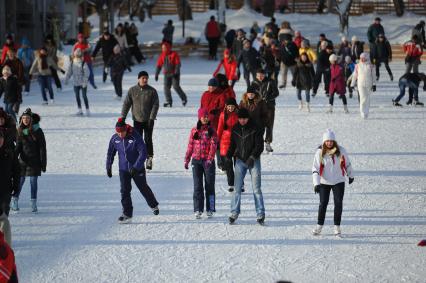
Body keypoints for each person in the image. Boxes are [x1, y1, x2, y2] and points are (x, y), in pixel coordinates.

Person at [106, 118, 160, 224]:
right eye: (118, 132)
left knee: (143, 188)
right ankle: (127, 214)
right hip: (123, 169)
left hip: (137, 168)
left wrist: (136, 166)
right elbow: (110, 153)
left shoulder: (135, 136)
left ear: (126, 129)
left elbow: (143, 152)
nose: (120, 134)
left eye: (122, 132)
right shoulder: (114, 139)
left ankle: (154, 205)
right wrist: (108, 166)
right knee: (124, 191)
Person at [311, 129, 354, 237]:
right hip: (324, 182)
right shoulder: (320, 152)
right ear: (324, 142)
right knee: (322, 204)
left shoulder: (341, 151)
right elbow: (315, 168)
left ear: (334, 141)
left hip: (338, 181)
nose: (329, 143)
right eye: (327, 141)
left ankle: (337, 227)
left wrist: (350, 175)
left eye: (331, 141)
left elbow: (347, 164)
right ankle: (319, 226)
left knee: (338, 204)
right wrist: (316, 183)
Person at [226, 108, 265, 225]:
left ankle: (260, 214)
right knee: (237, 189)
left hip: (253, 161)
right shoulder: (235, 128)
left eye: (244, 118)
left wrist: (252, 157)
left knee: (256, 189)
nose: (242, 120)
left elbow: (259, 146)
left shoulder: (255, 128)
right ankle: (234, 213)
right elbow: (232, 144)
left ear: (248, 118)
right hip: (240, 161)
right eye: (240, 118)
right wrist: (228, 156)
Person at [184, 108, 218, 219]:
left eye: (207, 116)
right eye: (203, 116)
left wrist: (210, 159)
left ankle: (210, 208)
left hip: (208, 162)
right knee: (197, 186)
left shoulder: (212, 130)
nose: (205, 118)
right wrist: (187, 159)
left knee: (209, 186)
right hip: (196, 161)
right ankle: (198, 209)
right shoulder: (194, 131)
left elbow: (213, 146)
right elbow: (190, 145)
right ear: (199, 117)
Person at [121, 71, 159, 170]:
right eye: (143, 78)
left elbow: (155, 105)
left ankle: (149, 159)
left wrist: (152, 117)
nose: (145, 80)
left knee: (148, 139)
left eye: (146, 78)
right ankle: (138, 158)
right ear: (138, 79)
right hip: (137, 120)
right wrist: (123, 117)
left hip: (148, 120)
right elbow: (126, 104)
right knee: (137, 140)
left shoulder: (152, 91)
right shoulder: (132, 90)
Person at [12, 108, 46, 213]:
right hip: (22, 161)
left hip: (34, 162)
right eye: (23, 118)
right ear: (21, 120)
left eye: (27, 118)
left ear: (31, 119)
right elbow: (17, 148)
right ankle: (15, 200)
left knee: (33, 182)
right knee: (20, 182)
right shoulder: (20, 131)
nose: (25, 120)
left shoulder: (38, 131)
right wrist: (13, 161)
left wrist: (43, 163)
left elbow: (42, 148)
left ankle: (33, 203)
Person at [251, 69, 279, 152]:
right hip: (258, 108)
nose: (260, 77)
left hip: (269, 107)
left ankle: (268, 143)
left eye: (262, 75)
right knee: (258, 126)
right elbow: (250, 94)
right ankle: (258, 144)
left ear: (264, 75)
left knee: (269, 125)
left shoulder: (270, 82)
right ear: (256, 75)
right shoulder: (254, 83)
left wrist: (268, 98)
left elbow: (276, 93)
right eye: (258, 75)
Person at [0, 129, 20, 245]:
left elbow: (16, 170)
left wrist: (16, 186)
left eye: (1, 138)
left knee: (4, 217)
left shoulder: (9, 153)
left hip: (5, 190)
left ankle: (5, 246)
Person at [155, 42, 187, 107]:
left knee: (176, 86)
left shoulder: (174, 54)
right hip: (166, 74)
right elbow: (159, 65)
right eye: (162, 48)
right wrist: (157, 74)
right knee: (166, 88)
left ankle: (184, 98)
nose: (163, 49)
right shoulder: (162, 55)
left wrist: (176, 72)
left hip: (174, 74)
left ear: (168, 48)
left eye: (164, 48)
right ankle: (169, 101)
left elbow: (178, 64)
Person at [217, 98, 239, 192]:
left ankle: (240, 184)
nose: (230, 108)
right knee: (229, 165)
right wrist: (217, 141)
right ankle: (231, 184)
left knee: (238, 166)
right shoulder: (223, 115)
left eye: (232, 106)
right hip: (225, 143)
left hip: (237, 142)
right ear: (226, 106)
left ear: (235, 106)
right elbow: (219, 129)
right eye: (229, 106)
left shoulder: (238, 114)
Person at [65, 48, 90, 116]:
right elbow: (69, 72)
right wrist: (66, 79)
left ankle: (87, 109)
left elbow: (87, 73)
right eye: (76, 55)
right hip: (76, 83)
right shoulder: (72, 62)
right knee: (77, 96)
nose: (77, 57)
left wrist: (85, 82)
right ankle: (80, 110)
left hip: (83, 83)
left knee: (84, 96)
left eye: (78, 55)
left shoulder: (83, 63)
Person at [351, 52, 376, 118]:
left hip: (369, 84)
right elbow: (354, 75)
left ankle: (366, 112)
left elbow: (373, 75)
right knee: (362, 98)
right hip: (360, 84)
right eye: (361, 58)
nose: (362, 59)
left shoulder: (371, 66)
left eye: (363, 58)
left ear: (367, 58)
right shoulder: (357, 65)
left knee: (367, 98)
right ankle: (362, 112)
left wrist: (374, 84)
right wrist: (352, 84)